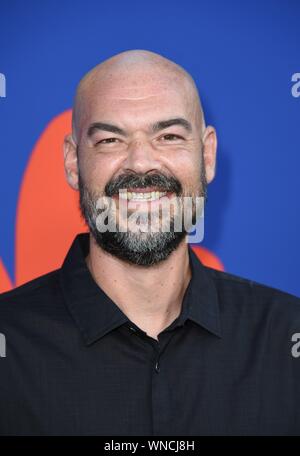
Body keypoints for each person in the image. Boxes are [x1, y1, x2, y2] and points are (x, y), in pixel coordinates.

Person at [0, 49, 300, 436]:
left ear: (207, 155)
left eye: (169, 136)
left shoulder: (286, 339)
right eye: (110, 140)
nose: (141, 163)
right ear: (73, 162)